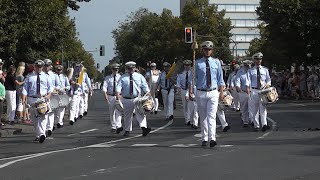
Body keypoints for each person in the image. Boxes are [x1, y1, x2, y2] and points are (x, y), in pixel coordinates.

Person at [189, 41, 225, 147]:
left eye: (209, 49)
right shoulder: (197, 63)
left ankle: (212, 138)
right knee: (203, 116)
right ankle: (204, 137)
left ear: (212, 50)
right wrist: (191, 91)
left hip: (213, 91)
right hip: (201, 92)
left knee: (212, 116)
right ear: (202, 50)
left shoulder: (216, 62)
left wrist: (221, 92)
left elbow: (220, 78)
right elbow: (193, 79)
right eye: (205, 49)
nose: (207, 51)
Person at [116, 61, 151, 137]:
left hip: (137, 98)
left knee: (141, 113)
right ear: (126, 69)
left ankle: (144, 128)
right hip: (126, 99)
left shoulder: (139, 76)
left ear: (135, 68)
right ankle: (127, 130)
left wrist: (147, 92)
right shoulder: (123, 78)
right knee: (127, 116)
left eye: (132, 68)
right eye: (129, 68)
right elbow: (118, 87)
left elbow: (144, 85)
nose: (130, 70)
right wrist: (118, 94)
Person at [22, 60, 53, 143]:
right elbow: (25, 88)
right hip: (32, 98)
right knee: (35, 118)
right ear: (35, 67)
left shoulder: (46, 76)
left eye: (40, 67)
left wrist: (49, 95)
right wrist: (24, 97)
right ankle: (39, 134)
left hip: (43, 98)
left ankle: (42, 134)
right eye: (37, 67)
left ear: (42, 67)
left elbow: (50, 88)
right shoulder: (29, 76)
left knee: (43, 116)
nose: (39, 68)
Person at [247, 52, 271, 132]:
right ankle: (256, 125)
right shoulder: (250, 70)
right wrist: (248, 88)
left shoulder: (265, 70)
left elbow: (268, 79)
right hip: (254, 90)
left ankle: (264, 124)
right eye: (257, 59)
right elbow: (248, 80)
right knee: (255, 109)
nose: (258, 61)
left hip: (263, 90)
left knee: (263, 108)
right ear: (254, 60)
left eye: (260, 59)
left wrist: (268, 85)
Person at [43, 59, 61, 136]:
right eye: (45, 65)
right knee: (44, 112)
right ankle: (45, 128)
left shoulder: (54, 75)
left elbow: (59, 85)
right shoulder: (40, 74)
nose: (46, 67)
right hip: (44, 96)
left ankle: (49, 128)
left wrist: (56, 89)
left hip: (52, 95)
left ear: (50, 66)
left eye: (48, 66)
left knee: (51, 111)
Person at [103, 63, 123, 133]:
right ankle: (113, 126)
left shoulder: (121, 77)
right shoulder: (108, 78)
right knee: (112, 112)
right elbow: (105, 87)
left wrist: (121, 95)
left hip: (119, 96)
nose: (115, 71)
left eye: (117, 69)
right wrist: (105, 95)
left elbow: (123, 87)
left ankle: (118, 125)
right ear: (112, 70)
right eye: (114, 69)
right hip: (111, 96)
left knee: (119, 111)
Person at [235, 60, 252, 127]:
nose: (248, 67)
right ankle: (245, 121)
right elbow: (237, 81)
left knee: (252, 107)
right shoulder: (240, 72)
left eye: (249, 66)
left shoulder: (251, 71)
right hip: (243, 92)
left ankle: (252, 120)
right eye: (247, 66)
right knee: (244, 108)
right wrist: (238, 87)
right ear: (244, 65)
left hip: (251, 92)